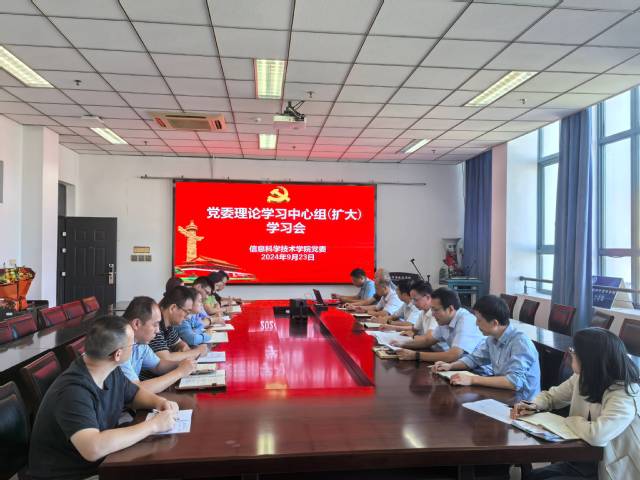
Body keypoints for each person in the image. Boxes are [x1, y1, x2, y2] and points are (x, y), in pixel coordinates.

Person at [28, 316, 178, 480]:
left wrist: (160, 402)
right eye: (132, 344)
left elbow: (133, 393)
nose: (134, 347)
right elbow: (93, 448)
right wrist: (153, 425)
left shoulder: (109, 369)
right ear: (118, 354)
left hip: (103, 462)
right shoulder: (73, 391)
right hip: (71, 474)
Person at [512, 328, 640, 480]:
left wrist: (569, 421)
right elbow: (552, 396)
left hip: (610, 469)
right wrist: (534, 405)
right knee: (532, 477)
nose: (571, 352)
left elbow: (597, 435)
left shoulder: (624, 393)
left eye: (574, 350)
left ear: (590, 359)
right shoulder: (583, 377)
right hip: (581, 459)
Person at [433, 295, 541, 400]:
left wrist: (472, 379)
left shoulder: (520, 342)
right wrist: (451, 366)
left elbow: (514, 382)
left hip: (523, 403)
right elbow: (474, 359)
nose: (476, 324)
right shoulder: (492, 338)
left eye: (479, 320)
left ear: (494, 323)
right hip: (503, 395)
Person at [120, 296, 196, 393]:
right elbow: (135, 389)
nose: (158, 330)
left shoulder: (139, 342)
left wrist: (181, 364)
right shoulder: (119, 344)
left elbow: (157, 365)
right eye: (155, 325)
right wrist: (180, 372)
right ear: (137, 324)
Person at [394, 287, 484, 363]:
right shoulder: (445, 320)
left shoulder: (465, 320)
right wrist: (402, 344)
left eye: (436, 310)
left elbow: (453, 355)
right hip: (461, 366)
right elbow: (427, 341)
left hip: (480, 371)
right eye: (432, 309)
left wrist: (416, 355)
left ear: (450, 309)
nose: (433, 314)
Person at [141, 286, 207, 380]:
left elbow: (181, 344)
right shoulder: (155, 327)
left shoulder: (169, 326)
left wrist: (184, 352)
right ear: (173, 308)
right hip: (150, 381)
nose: (187, 317)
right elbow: (165, 359)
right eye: (187, 312)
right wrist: (197, 352)